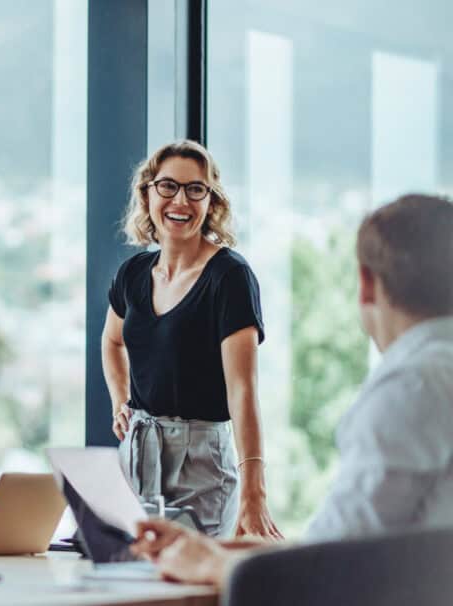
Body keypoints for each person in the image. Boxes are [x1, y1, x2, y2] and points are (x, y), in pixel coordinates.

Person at [131, 194, 453, 586]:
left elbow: (331, 569)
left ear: (366, 285)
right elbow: (347, 543)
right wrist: (214, 548)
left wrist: (209, 565)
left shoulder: (411, 388)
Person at [102, 140, 280, 538]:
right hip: (136, 453)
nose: (180, 200)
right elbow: (112, 342)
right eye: (168, 186)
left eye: (195, 189)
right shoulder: (132, 274)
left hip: (201, 462)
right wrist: (120, 401)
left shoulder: (229, 277)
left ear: (210, 201)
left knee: (194, 592)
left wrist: (255, 490)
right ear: (147, 193)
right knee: (131, 586)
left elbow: (243, 389)